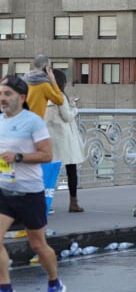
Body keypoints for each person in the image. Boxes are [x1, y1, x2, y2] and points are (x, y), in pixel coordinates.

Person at [0, 75, 67, 292]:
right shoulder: (0, 121)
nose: (2, 99)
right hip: (5, 192)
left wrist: (18, 157)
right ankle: (6, 291)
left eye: (7, 94)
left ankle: (54, 284)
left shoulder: (33, 122)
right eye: (0, 94)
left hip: (30, 193)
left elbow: (46, 155)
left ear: (21, 97)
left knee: (38, 245)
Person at [44, 69, 86, 212]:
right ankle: (73, 202)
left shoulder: (44, 96)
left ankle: (45, 202)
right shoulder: (59, 96)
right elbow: (67, 116)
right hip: (65, 139)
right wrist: (74, 107)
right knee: (71, 171)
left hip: (50, 139)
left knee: (49, 172)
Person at [24, 55, 64, 119]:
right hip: (35, 123)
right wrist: (53, 81)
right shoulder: (44, 85)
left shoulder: (25, 80)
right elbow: (60, 100)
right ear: (46, 67)